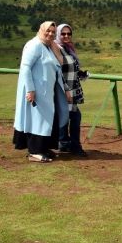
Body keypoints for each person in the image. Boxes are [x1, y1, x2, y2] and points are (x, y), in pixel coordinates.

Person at [13, 21, 70, 162]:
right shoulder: (35, 45)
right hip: (36, 93)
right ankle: (35, 152)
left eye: (53, 31)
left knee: (46, 120)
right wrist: (31, 90)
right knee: (37, 120)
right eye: (48, 31)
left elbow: (59, 64)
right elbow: (25, 67)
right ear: (41, 30)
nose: (50, 34)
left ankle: (43, 149)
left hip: (46, 92)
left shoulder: (48, 46)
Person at [56, 23, 89, 156]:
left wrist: (81, 73)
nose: (66, 36)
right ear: (58, 34)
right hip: (64, 91)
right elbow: (58, 71)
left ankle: (64, 143)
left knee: (67, 116)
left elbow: (70, 68)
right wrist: (65, 89)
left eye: (69, 34)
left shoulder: (68, 48)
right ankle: (74, 146)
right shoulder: (56, 48)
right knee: (74, 117)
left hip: (72, 89)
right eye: (63, 33)